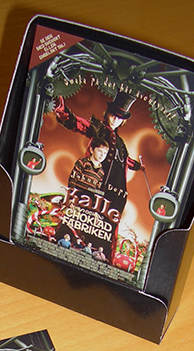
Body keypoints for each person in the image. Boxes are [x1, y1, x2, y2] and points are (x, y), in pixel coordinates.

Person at [55, 92, 144, 263]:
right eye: (113, 115)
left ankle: (99, 256)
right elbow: (78, 124)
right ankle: (67, 245)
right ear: (107, 113)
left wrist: (138, 166)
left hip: (113, 191)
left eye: (119, 117)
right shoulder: (98, 128)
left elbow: (125, 160)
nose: (115, 119)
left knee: (106, 223)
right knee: (81, 214)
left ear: (123, 121)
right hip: (92, 182)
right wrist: (62, 110)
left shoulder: (121, 143)